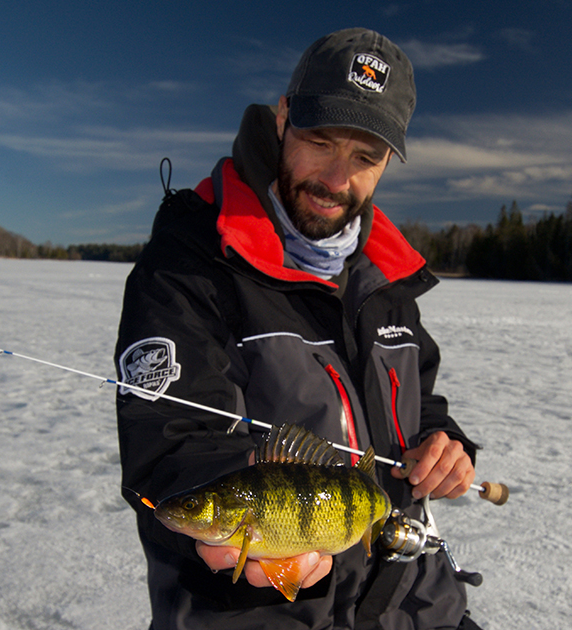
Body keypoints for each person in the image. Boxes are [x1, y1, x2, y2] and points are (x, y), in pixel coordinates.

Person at [115, 28, 481, 630]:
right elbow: (172, 437)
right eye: (321, 141)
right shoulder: (190, 267)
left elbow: (422, 402)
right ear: (283, 117)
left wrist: (444, 446)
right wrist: (227, 515)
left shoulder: (385, 279)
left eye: (366, 157)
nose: (338, 178)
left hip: (417, 606)